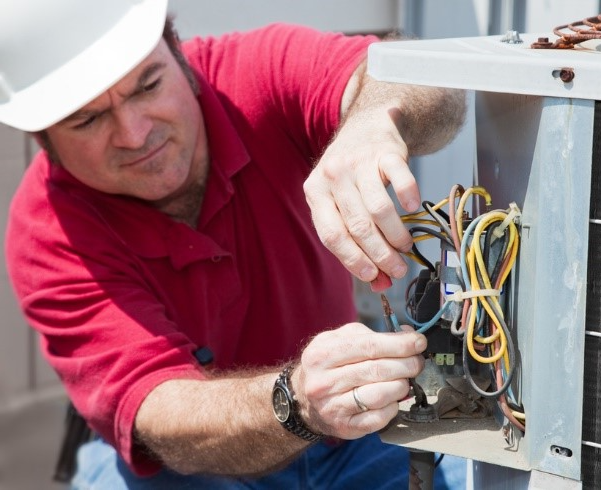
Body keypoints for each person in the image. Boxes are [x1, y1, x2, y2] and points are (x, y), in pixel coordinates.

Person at [1, 0, 467, 488]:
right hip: (199, 466)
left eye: (150, 85)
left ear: (178, 53)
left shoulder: (253, 73)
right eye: (87, 121)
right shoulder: (49, 233)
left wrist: (373, 122)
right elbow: (160, 413)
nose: (136, 134)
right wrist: (301, 401)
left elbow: (417, 77)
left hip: (357, 440)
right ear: (42, 138)